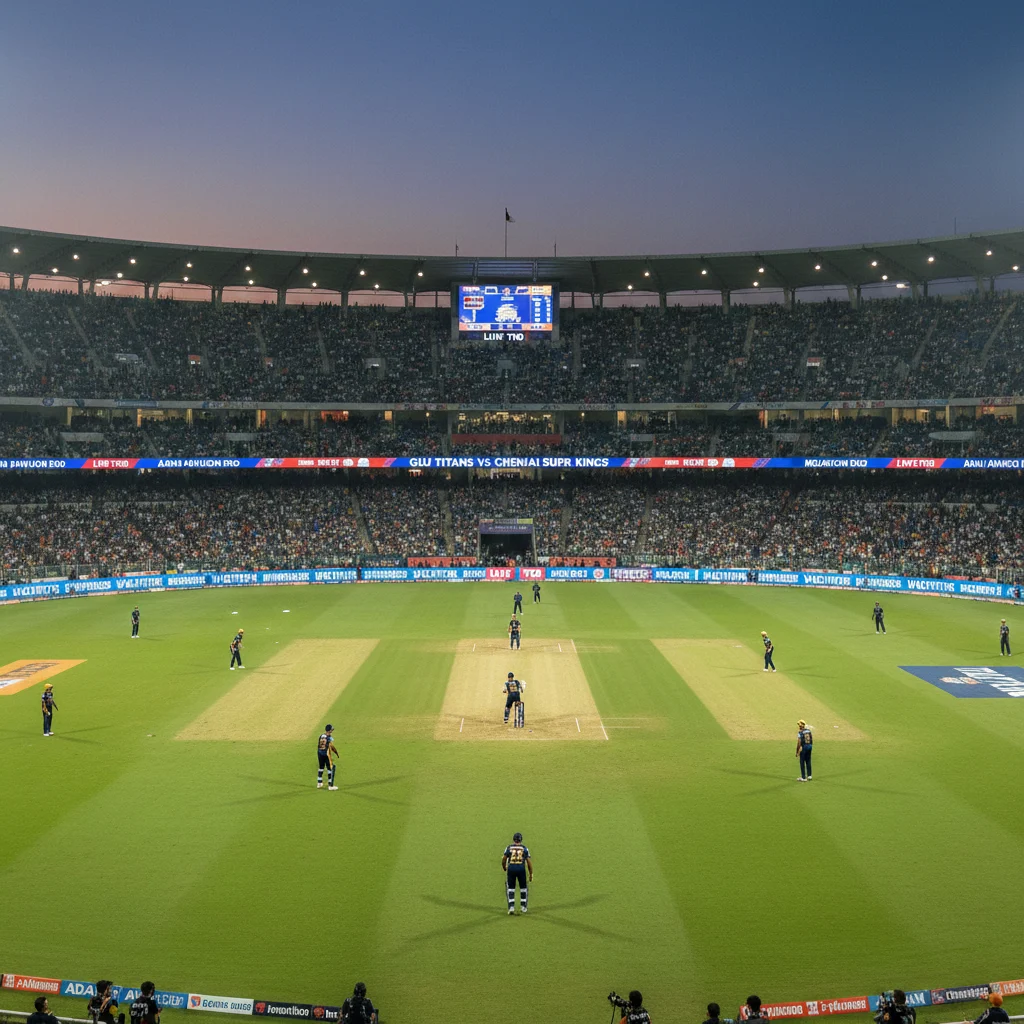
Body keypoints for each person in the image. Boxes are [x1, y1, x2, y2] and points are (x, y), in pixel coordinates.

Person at [501, 831, 533, 914]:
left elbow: (504, 859)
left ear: (513, 840)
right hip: (521, 869)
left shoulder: (508, 848)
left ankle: (511, 907)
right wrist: (530, 874)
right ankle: (523, 907)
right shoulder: (524, 848)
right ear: (521, 840)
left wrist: (504, 867)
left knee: (510, 888)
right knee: (523, 888)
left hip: (511, 868)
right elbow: (529, 862)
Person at [317, 724, 339, 790]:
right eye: (331, 730)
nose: (332, 731)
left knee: (321, 767)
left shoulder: (321, 736)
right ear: (329, 730)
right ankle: (330, 786)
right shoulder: (329, 737)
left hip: (319, 753)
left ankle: (319, 783)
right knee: (329, 768)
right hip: (326, 754)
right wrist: (336, 752)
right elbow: (331, 746)